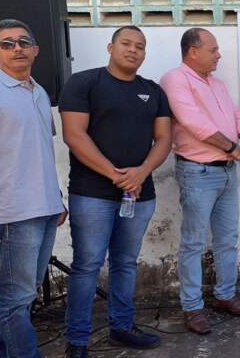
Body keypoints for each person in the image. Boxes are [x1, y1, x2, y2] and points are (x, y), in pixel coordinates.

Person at [60, 25, 172, 356]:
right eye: (126, 43)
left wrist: (142, 172)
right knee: (87, 265)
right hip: (91, 194)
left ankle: (121, 327)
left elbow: (164, 138)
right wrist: (116, 175)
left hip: (139, 194)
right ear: (111, 47)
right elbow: (74, 135)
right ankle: (77, 340)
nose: (133, 50)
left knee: (125, 263)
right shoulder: (84, 83)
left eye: (140, 46)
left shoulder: (152, 91)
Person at [0, 19, 66, 357]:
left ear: (36, 50)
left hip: (46, 209)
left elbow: (41, 151)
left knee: (20, 297)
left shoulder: (39, 92)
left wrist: (57, 198)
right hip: (14, 212)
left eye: (24, 42)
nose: (17, 48)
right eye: (8, 44)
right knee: (17, 299)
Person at [160, 28, 240, 335]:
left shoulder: (216, 84)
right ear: (193, 52)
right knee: (193, 242)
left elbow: (236, 114)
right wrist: (235, 150)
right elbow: (194, 123)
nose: (218, 55)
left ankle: (225, 296)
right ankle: (192, 307)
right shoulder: (175, 80)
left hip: (227, 172)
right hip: (198, 171)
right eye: (213, 50)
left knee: (227, 238)